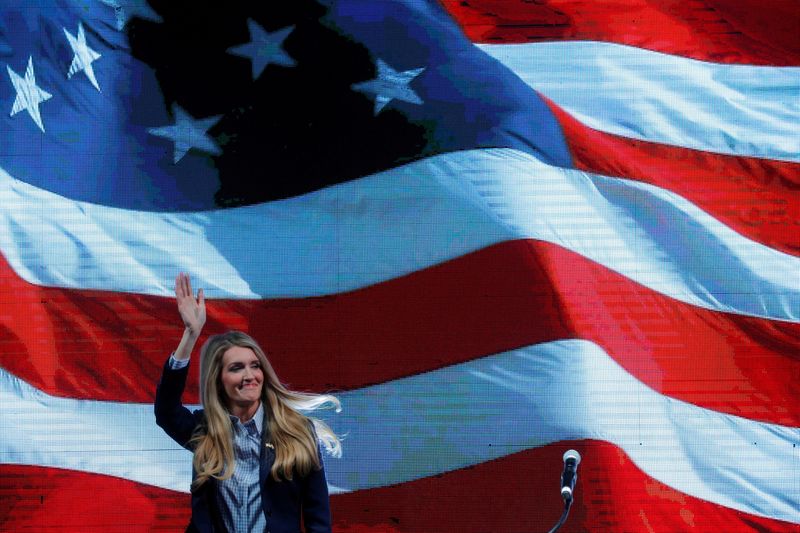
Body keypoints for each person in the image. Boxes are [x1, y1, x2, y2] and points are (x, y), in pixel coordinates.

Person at [155, 273, 341, 533]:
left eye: (255, 366)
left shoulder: (297, 431)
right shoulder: (205, 431)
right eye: (236, 368)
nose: (249, 376)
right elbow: (166, 412)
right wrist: (190, 334)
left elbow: (318, 520)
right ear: (218, 381)